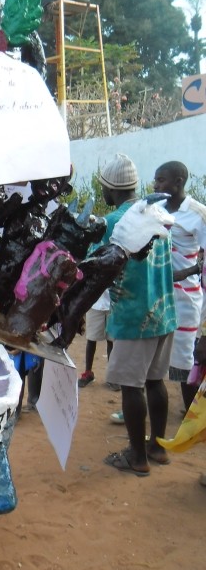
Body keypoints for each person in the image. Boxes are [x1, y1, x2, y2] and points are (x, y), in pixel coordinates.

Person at [100, 154, 177, 476]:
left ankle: (137, 456)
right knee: (155, 381)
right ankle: (157, 447)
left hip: (134, 316)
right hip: (164, 312)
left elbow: (99, 268)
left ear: (110, 190)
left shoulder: (113, 222)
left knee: (132, 387)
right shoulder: (157, 213)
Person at [153, 161, 206, 413]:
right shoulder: (155, 209)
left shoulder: (198, 213)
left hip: (186, 299)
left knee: (186, 360)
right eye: (156, 179)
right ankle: (146, 406)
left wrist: (192, 270)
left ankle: (191, 415)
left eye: (161, 180)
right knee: (152, 357)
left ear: (179, 181)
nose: (156, 185)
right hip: (158, 296)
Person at [77, 290, 119, 391]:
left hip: (113, 304)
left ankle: (112, 376)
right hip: (95, 303)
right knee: (91, 339)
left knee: (111, 341)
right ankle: (88, 373)